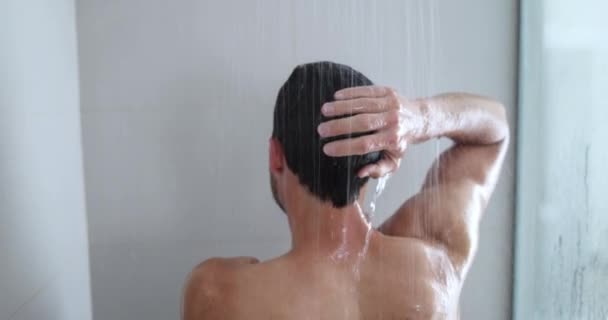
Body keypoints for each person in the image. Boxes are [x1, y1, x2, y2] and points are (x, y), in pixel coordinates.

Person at [183, 61, 509, 319]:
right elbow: (494, 134)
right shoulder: (435, 265)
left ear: (275, 154)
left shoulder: (220, 293)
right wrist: (420, 118)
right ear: (380, 152)